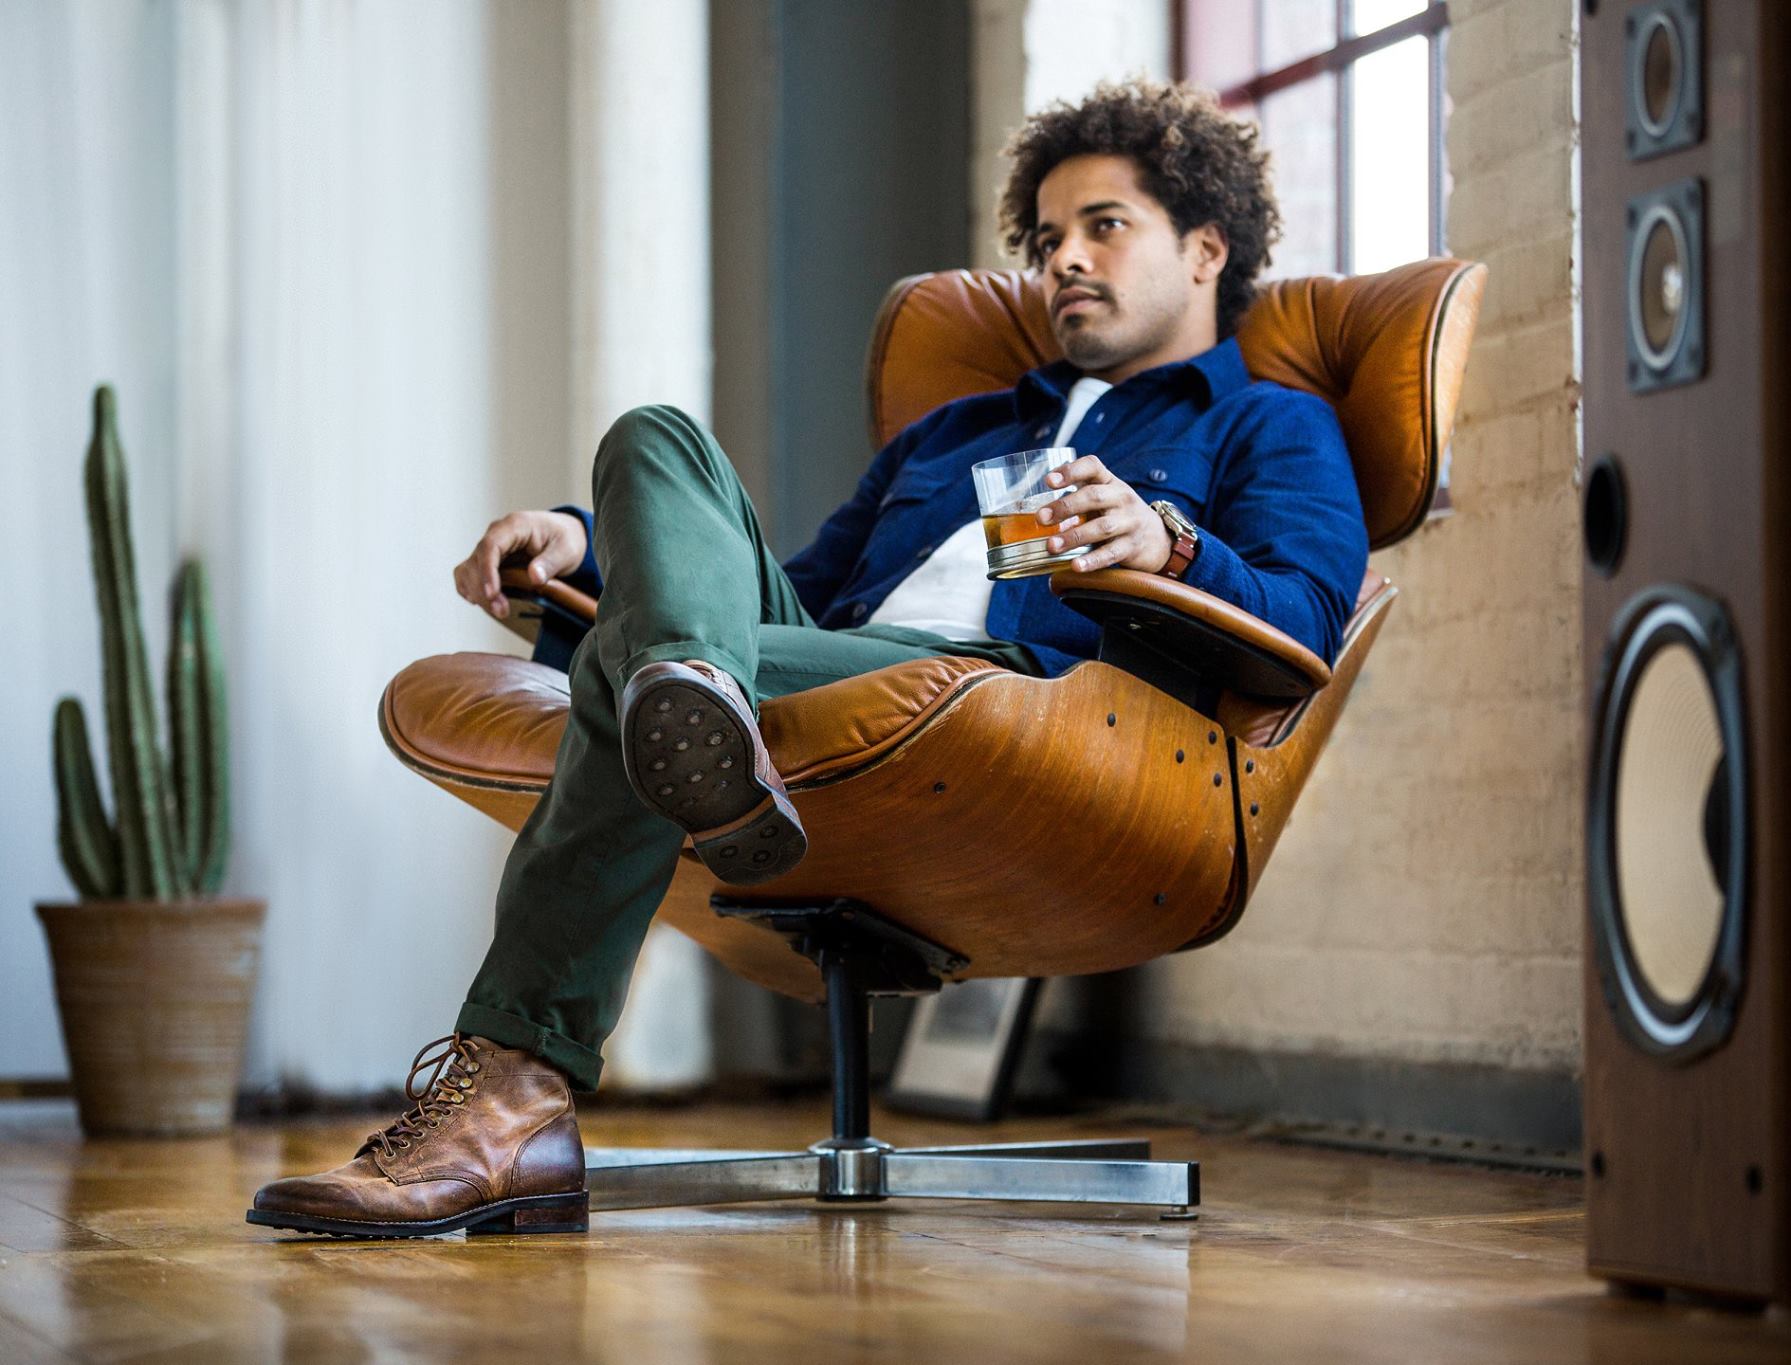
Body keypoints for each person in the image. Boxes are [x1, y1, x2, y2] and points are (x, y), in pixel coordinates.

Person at [247, 79, 1368, 1239]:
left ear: (1204, 250)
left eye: (1103, 226)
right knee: (655, 441)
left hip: (1019, 701)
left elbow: (1302, 624)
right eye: (1044, 240)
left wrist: (1170, 544)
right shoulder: (956, 433)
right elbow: (785, 595)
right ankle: (686, 705)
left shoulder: (1266, 423)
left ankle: (511, 1095)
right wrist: (586, 552)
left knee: (643, 667)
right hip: (832, 665)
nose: (1063, 260)